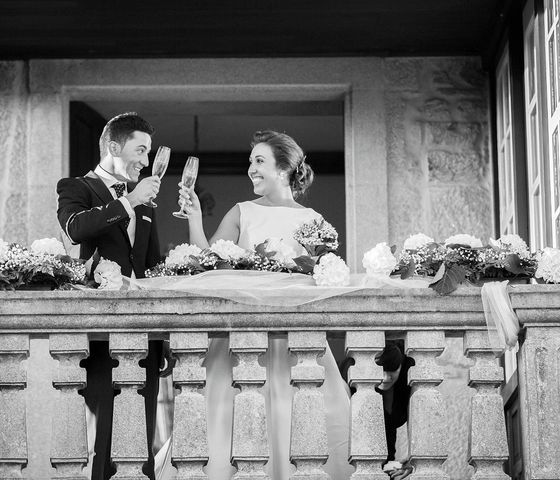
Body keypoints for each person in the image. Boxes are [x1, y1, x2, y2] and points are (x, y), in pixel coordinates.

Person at [173, 130, 352, 480]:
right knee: (229, 422)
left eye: (259, 161)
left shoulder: (314, 221)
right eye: (250, 161)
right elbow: (208, 265)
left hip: (295, 343)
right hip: (241, 341)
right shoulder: (242, 212)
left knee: (298, 420)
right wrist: (195, 218)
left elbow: (325, 280)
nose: (251, 169)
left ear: (284, 168)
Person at [56, 112, 163, 480]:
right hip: (99, 333)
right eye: (140, 150)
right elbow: (75, 228)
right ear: (114, 147)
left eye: (149, 153)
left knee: (144, 435)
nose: (145, 161)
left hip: (145, 334)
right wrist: (129, 201)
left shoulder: (146, 201)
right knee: (105, 432)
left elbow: (151, 268)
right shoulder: (76, 187)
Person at [375, 342, 414, 480]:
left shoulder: (408, 380)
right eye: (381, 370)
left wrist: (413, 460)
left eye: (392, 370)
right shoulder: (354, 387)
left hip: (386, 464)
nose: (385, 378)